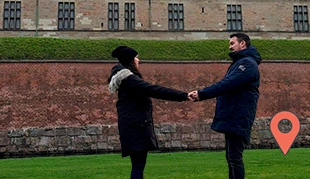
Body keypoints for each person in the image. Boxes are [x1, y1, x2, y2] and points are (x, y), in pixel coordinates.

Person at [108, 45, 189, 179]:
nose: (138, 60)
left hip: (131, 126)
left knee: (137, 165)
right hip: (136, 127)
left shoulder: (126, 80)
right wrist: (184, 95)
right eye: (136, 57)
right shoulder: (130, 80)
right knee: (138, 167)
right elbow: (155, 90)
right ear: (130, 60)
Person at [189, 33, 261, 179]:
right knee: (231, 157)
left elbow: (227, 84)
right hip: (234, 115)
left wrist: (202, 93)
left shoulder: (246, 64)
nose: (229, 46)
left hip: (238, 115)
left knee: (234, 157)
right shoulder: (241, 63)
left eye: (232, 43)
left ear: (243, 44)